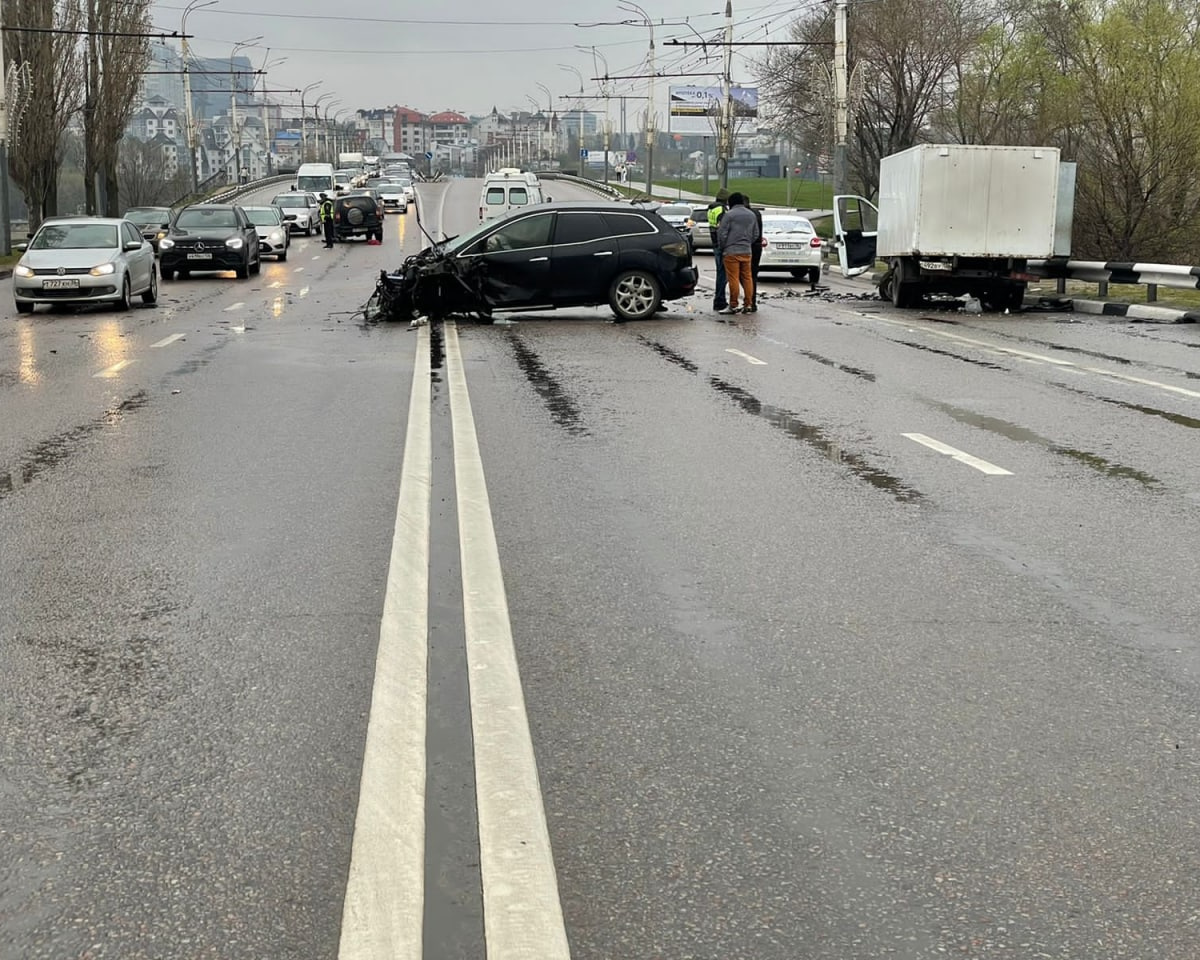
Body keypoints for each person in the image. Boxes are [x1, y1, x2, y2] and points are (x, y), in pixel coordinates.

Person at [716, 192, 760, 316]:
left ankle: (733, 305)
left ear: (731, 203)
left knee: (733, 278)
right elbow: (756, 233)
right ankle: (748, 304)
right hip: (747, 251)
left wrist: (723, 246)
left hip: (731, 251)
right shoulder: (751, 215)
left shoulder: (729, 215)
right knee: (747, 278)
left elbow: (722, 233)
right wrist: (747, 243)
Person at [706, 188, 730, 312]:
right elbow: (722, 228)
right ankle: (720, 300)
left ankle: (718, 300)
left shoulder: (711, 209)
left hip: (715, 244)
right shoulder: (721, 210)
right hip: (721, 246)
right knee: (723, 275)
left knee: (720, 273)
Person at [744, 193, 765, 312]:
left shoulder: (747, 215)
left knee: (745, 275)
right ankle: (752, 301)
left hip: (748, 246)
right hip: (757, 246)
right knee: (752, 275)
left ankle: (749, 301)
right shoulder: (757, 213)